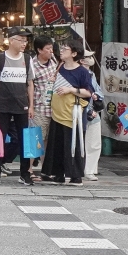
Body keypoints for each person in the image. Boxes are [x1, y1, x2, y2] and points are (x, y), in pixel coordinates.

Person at [0, 27, 34, 185]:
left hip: (22, 105)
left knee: (23, 140)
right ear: (11, 40)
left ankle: (24, 174)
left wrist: (31, 105)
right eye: (21, 40)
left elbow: (30, 83)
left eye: (26, 40)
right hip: (3, 104)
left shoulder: (27, 59)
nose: (24, 43)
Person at [45, 38, 96, 184]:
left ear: (74, 53)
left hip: (73, 114)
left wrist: (70, 89)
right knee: (57, 144)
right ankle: (58, 174)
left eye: (65, 49)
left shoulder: (82, 72)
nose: (61, 51)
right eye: (61, 48)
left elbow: (88, 92)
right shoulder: (60, 66)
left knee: (74, 143)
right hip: (57, 111)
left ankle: (75, 175)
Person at [26, 36, 61, 179]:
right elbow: (30, 86)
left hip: (54, 108)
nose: (51, 51)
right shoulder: (32, 65)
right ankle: (28, 169)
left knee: (47, 141)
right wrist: (31, 107)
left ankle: (46, 170)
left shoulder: (54, 61)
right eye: (47, 49)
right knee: (35, 138)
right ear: (39, 50)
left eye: (51, 48)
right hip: (39, 107)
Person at [81, 50, 104, 183]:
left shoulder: (92, 74)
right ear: (81, 60)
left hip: (92, 112)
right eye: (88, 57)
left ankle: (89, 170)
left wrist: (95, 98)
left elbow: (99, 92)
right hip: (81, 112)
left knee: (94, 143)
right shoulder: (77, 74)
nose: (91, 59)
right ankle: (82, 169)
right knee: (81, 143)